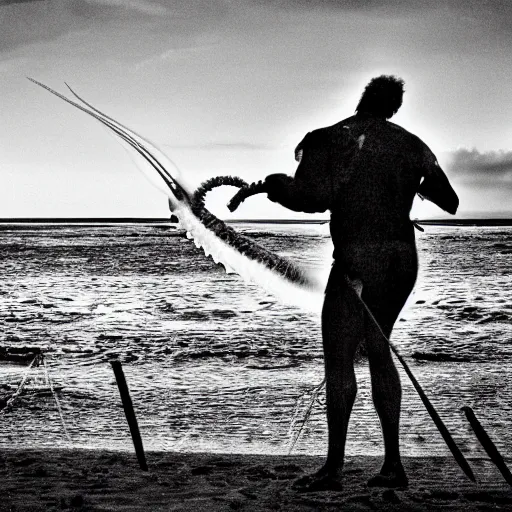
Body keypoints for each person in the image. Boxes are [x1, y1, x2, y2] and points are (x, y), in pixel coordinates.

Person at [263, 75, 459, 491]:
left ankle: (334, 468)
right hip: (402, 260)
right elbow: (450, 200)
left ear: (364, 99)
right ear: (394, 108)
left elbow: (311, 197)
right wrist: (406, 183)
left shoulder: (330, 138)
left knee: (339, 359)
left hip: (358, 258)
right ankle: (392, 465)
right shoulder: (412, 145)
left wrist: (279, 188)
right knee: (379, 348)